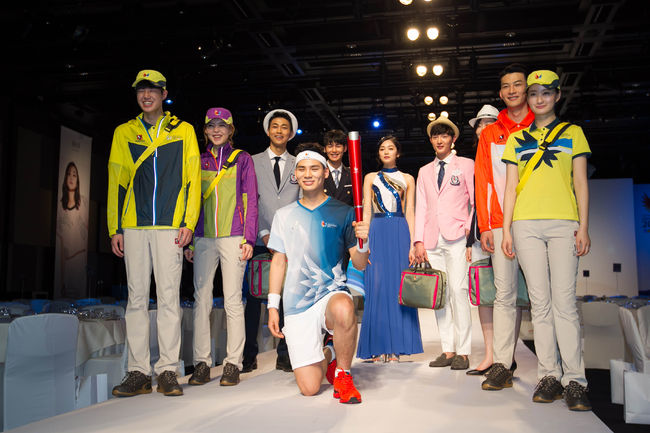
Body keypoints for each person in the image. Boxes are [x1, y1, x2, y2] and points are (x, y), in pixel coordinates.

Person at [500, 70, 592, 411]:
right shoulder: (516, 139)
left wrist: (584, 226)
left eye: (546, 92)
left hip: (564, 223)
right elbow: (510, 187)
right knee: (539, 304)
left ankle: (575, 380)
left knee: (564, 302)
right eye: (534, 93)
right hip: (524, 224)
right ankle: (549, 376)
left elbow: (580, 182)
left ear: (557, 96)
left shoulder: (573, 133)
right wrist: (506, 229)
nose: (539, 98)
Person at [107, 69, 201, 397]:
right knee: (135, 298)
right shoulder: (124, 132)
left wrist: (189, 222)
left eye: (152, 90)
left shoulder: (183, 131)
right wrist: (115, 227)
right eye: (141, 90)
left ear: (164, 94)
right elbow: (116, 182)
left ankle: (168, 370)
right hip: (133, 225)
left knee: (169, 298)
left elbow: (192, 179)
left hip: (170, 225)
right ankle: (138, 371)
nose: (146, 95)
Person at [266, 145, 370, 404]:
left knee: (344, 307)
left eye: (314, 169)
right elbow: (278, 262)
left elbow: (360, 263)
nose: (308, 174)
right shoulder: (283, 215)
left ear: (325, 173)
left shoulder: (344, 212)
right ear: (295, 175)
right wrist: (273, 306)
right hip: (296, 303)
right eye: (302, 169)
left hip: (330, 294)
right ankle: (330, 352)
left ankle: (344, 375)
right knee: (310, 388)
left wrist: (364, 242)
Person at [184, 108, 258, 387]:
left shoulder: (242, 159)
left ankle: (232, 364)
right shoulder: (198, 160)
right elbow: (191, 200)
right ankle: (201, 363)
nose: (216, 130)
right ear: (205, 130)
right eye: (211, 125)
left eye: (222, 125)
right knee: (201, 301)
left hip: (234, 236)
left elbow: (251, 199)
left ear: (230, 130)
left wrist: (248, 238)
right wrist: (191, 239)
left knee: (232, 300)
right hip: (203, 238)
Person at [475, 64, 534, 385]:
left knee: (542, 297)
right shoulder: (490, 133)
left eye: (517, 84)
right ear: (500, 93)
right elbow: (483, 180)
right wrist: (485, 225)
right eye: (506, 86)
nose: (512, 90)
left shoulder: (540, 127)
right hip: (500, 224)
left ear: (526, 88)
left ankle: (555, 371)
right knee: (504, 294)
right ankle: (502, 363)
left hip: (536, 220)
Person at [413, 117, 474, 370]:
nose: (440, 140)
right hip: (431, 238)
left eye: (444, 136)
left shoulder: (466, 165)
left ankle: (464, 351)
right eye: (435, 136)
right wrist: (418, 241)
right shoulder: (424, 171)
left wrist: (469, 231)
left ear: (453, 139)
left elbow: (474, 202)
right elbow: (421, 207)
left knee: (459, 291)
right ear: (431, 140)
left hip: (457, 236)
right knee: (441, 294)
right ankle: (448, 349)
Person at [243, 109, 300, 373]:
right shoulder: (252, 161)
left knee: (288, 297)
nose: (279, 131)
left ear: (291, 133)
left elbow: (301, 201)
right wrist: (265, 232)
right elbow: (248, 201)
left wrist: (286, 235)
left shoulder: (298, 163)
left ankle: (285, 354)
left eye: (284, 127)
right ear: (268, 131)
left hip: (290, 240)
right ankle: (248, 355)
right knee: (254, 299)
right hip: (258, 238)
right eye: (275, 126)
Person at [356, 136, 422, 363]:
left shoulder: (408, 178)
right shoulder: (370, 178)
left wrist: (412, 244)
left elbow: (410, 211)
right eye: (382, 148)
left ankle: (397, 348)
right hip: (376, 230)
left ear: (398, 153)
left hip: (399, 231)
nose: (386, 151)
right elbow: (366, 211)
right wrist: (363, 245)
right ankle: (377, 346)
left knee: (398, 288)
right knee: (376, 287)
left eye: (390, 148)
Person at [56, 161, 89, 295]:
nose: (71, 177)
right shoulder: (61, 208)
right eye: (69, 174)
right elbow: (61, 244)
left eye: (74, 175)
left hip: (80, 259)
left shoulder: (84, 203)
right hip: (67, 262)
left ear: (78, 179)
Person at [322, 129, 353, 206]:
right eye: (330, 146)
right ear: (325, 149)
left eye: (338, 146)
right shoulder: (319, 173)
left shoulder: (352, 174)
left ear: (345, 148)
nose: (334, 150)